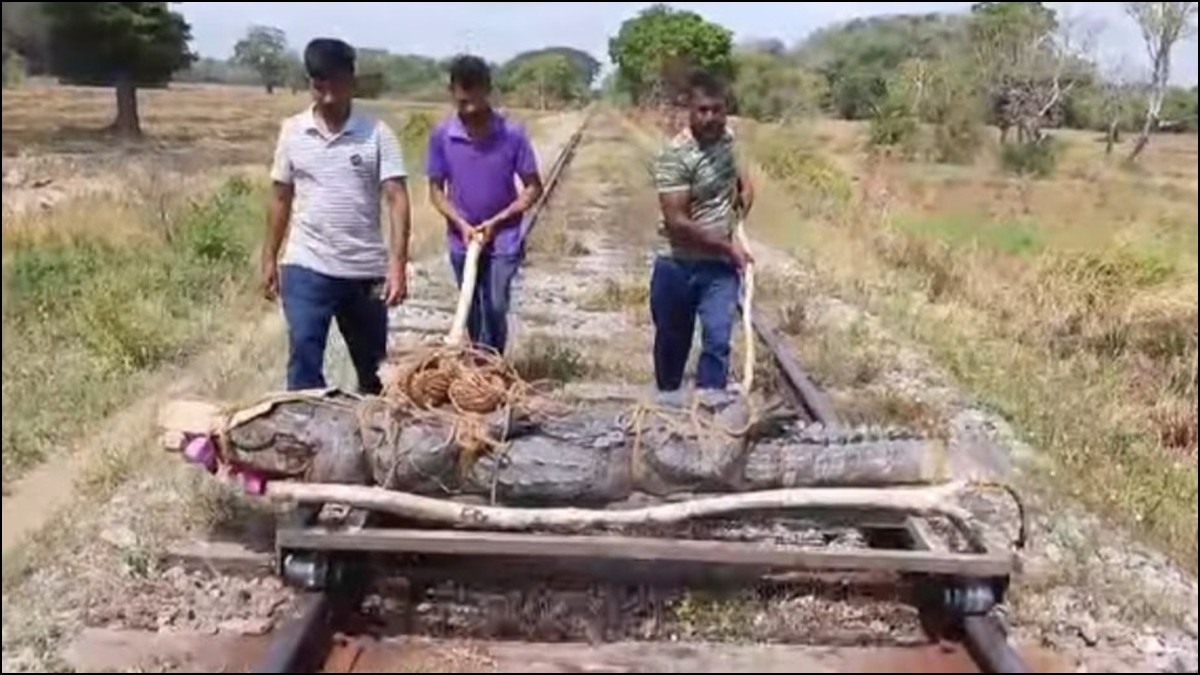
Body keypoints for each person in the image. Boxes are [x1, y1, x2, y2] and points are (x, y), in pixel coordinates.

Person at [261, 37, 412, 394]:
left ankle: (372, 435)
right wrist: (269, 257)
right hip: (306, 265)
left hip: (363, 271)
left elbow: (397, 200)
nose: (328, 95)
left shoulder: (377, 135)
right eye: (319, 85)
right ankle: (303, 439)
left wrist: (397, 266)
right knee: (303, 357)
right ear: (310, 83)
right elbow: (281, 197)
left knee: (374, 370)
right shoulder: (293, 132)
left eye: (337, 84)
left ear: (352, 82)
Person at [426, 54, 544, 356]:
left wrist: (499, 220)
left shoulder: (512, 134)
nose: (468, 111)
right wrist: (462, 224)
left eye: (474, 103)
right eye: (462, 103)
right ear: (452, 93)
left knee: (495, 304)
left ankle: (493, 364)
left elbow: (533, 188)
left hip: (503, 237)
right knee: (472, 307)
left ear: (487, 90)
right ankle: (478, 366)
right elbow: (436, 191)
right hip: (461, 236)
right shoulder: (442, 135)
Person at [650, 70, 755, 404]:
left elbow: (739, 178)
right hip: (676, 264)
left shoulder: (728, 139)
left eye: (717, 110)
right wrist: (729, 246)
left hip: (718, 268)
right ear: (689, 111)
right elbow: (677, 221)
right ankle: (666, 409)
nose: (710, 118)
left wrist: (744, 196)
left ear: (725, 111)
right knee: (672, 344)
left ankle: (709, 414)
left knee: (717, 340)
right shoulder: (675, 156)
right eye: (702, 110)